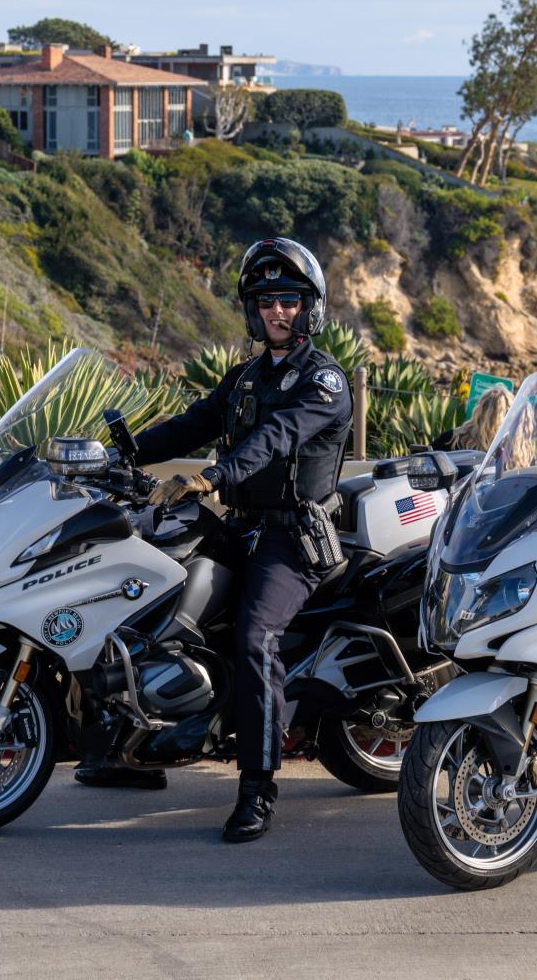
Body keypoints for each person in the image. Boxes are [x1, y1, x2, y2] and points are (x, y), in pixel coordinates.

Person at [73, 237, 352, 844]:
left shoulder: (323, 381)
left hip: (293, 537)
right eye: (267, 301)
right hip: (241, 529)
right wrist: (117, 454)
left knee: (256, 637)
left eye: (291, 301)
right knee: (145, 595)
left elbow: (276, 438)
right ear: (253, 310)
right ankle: (131, 748)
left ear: (311, 308)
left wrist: (214, 475)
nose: (279, 312)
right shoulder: (246, 376)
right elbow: (196, 422)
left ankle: (258, 789)